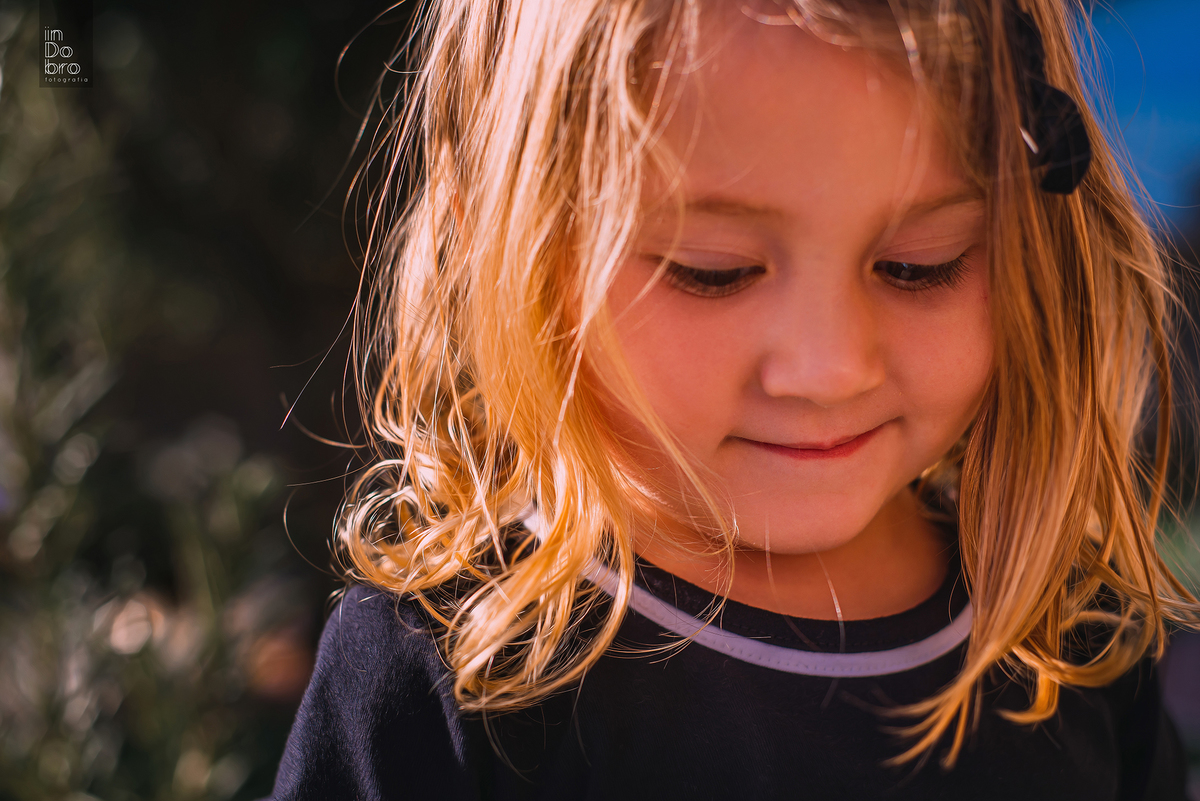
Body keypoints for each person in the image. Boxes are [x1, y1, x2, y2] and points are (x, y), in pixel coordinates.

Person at [268, 0, 1199, 797]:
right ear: (509, 241)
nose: (830, 367)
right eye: (712, 272)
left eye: (921, 266)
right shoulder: (455, 668)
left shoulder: (1072, 643)